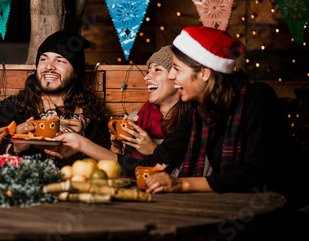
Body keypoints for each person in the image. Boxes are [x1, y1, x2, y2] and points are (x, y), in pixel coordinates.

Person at [48, 26, 307, 207]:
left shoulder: (257, 98)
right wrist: (80, 143)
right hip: (234, 208)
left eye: (177, 70)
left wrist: (181, 185)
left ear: (204, 73)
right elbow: (152, 164)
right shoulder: (198, 113)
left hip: (283, 210)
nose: (172, 76)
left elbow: (254, 175)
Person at [0, 30, 111, 167]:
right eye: (43, 59)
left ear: (76, 72)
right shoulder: (13, 108)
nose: (49, 67)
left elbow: (104, 167)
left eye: (60, 60)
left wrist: (78, 151)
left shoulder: (94, 115)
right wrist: (16, 148)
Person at [111, 45, 189, 159]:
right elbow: (117, 171)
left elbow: (192, 174)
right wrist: (117, 148)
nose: (146, 77)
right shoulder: (135, 119)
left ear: (177, 78)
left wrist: (153, 150)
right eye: (148, 71)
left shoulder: (192, 125)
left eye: (157, 70)